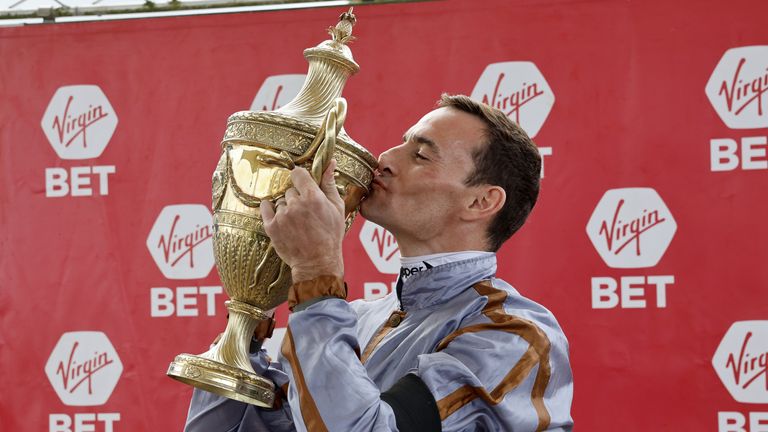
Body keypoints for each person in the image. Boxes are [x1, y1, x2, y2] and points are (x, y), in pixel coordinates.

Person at [185, 94, 574, 431]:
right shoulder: (351, 320)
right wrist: (250, 314)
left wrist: (317, 271)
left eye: (420, 154)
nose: (384, 159)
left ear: (481, 202)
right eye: (401, 144)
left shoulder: (514, 335)